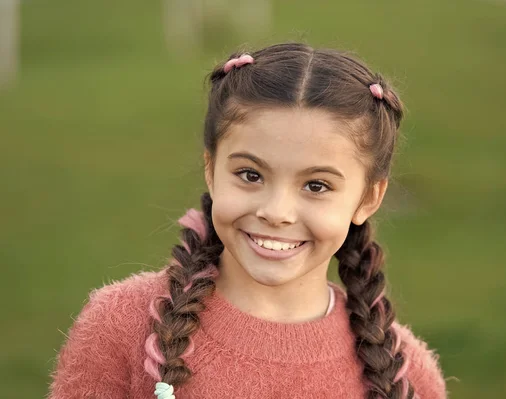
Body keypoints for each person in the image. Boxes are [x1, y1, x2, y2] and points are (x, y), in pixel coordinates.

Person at [48, 42, 447, 399]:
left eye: (317, 185)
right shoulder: (120, 326)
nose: (276, 212)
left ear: (368, 197)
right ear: (211, 169)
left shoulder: (405, 375)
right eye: (251, 175)